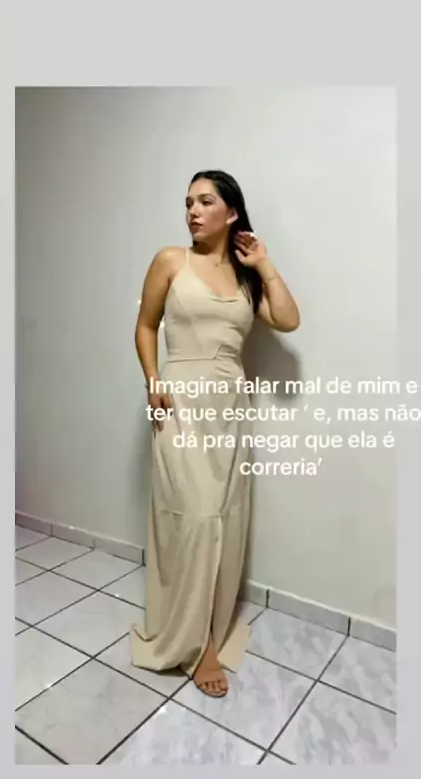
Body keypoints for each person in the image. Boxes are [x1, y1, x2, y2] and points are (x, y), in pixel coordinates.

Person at [130, 170, 300, 698]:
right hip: (180, 405)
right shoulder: (170, 261)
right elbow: (145, 325)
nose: (193, 211)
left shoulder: (247, 279)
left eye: (206, 201)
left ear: (232, 213)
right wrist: (153, 380)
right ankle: (196, 643)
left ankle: (209, 624)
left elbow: (289, 321)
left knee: (223, 518)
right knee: (196, 519)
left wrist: (264, 263)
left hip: (230, 410)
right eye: (188, 202)